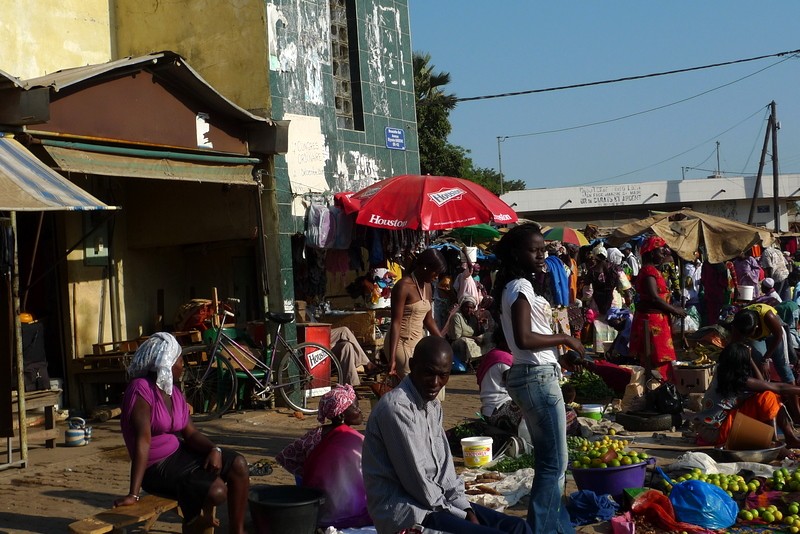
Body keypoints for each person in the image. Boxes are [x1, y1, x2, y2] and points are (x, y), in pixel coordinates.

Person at [362, 336, 532, 534]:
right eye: (429, 373)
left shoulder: (432, 405)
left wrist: (465, 507)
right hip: (408, 512)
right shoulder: (396, 409)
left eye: (443, 375)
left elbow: (444, 468)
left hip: (436, 502)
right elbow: (418, 483)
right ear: (412, 365)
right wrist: (461, 514)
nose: (435, 383)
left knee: (519, 527)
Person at [492, 223, 585, 534]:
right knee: (554, 463)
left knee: (551, 460)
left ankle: (557, 526)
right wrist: (564, 339)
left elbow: (528, 337)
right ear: (518, 254)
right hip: (536, 378)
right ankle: (541, 529)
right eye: (535, 250)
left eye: (543, 249)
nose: (542, 255)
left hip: (533, 374)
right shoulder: (520, 286)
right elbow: (524, 338)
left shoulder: (515, 285)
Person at [115, 333, 249, 533]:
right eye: (179, 359)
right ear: (166, 362)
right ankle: (194, 521)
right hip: (155, 469)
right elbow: (142, 441)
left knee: (238, 464)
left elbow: (191, 433)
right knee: (217, 491)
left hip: (179, 456)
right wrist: (133, 494)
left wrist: (215, 449)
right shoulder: (140, 389)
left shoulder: (173, 392)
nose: (183, 365)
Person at [276, 384, 371, 529]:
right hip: (354, 507)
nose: (360, 411)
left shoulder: (314, 436)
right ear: (341, 415)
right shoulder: (356, 439)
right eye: (355, 408)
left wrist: (307, 474)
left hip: (318, 507)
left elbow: (287, 457)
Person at [693, 342, 800, 448]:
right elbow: (778, 388)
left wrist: (750, 359)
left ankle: (784, 439)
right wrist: (750, 359)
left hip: (709, 429)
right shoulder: (737, 380)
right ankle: (774, 442)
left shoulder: (721, 370)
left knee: (766, 396)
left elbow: (762, 383)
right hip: (718, 432)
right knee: (768, 397)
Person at [628, 236, 686, 382]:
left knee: (657, 359)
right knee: (658, 357)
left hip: (657, 320)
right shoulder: (648, 271)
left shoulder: (652, 270)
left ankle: (659, 386)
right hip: (653, 322)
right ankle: (660, 387)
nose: (664, 254)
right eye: (661, 251)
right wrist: (675, 310)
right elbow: (654, 297)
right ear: (652, 252)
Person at [387, 248, 446, 378]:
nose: (436, 277)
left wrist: (443, 342)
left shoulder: (428, 286)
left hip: (418, 343)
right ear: (425, 267)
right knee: (413, 382)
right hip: (400, 342)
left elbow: (428, 320)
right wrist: (392, 358)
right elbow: (396, 323)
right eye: (435, 273)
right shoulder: (403, 286)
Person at [730, 305, 795, 386]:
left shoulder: (768, 316)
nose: (746, 337)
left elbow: (778, 336)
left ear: (756, 327)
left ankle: (793, 394)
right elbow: (733, 344)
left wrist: (765, 359)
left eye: (749, 334)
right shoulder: (739, 322)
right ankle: (764, 391)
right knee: (757, 362)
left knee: (782, 366)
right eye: (745, 335)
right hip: (758, 336)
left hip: (775, 334)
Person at [476, 328, 522, 434]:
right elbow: (517, 386)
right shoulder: (504, 358)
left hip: (488, 409)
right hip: (498, 410)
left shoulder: (493, 354)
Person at [448, 294, 487, 368]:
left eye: (471, 308)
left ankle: (482, 361)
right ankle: (468, 363)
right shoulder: (457, 317)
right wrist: (474, 338)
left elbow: (479, 333)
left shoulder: (473, 318)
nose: (469, 310)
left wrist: (479, 323)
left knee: (488, 337)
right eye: (466, 307)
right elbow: (457, 337)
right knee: (464, 341)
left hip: (472, 340)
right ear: (462, 307)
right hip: (458, 343)